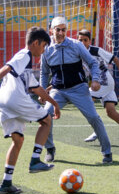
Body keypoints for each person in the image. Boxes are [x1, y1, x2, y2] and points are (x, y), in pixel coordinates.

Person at [0, 27, 60, 194]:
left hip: (3, 102)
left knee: (18, 141)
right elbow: (7, 67)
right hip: (15, 99)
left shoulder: (26, 65)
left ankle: (6, 183)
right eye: (44, 45)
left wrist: (54, 103)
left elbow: (36, 88)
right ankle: (36, 160)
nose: (44, 50)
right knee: (46, 121)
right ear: (36, 43)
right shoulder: (24, 55)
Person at [40, 16, 113, 163]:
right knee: (45, 115)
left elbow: (93, 63)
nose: (60, 33)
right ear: (51, 30)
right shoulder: (46, 50)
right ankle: (50, 149)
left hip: (79, 89)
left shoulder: (76, 45)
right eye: (57, 30)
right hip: (58, 91)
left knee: (94, 117)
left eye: (63, 30)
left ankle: (107, 152)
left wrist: (96, 80)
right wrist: (42, 91)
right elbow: (44, 72)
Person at [77, 29, 119, 145]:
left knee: (87, 100)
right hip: (102, 84)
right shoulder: (78, 54)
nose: (83, 43)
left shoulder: (96, 50)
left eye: (85, 40)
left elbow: (115, 59)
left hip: (105, 81)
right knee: (111, 112)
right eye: (80, 40)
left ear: (90, 41)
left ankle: (97, 130)